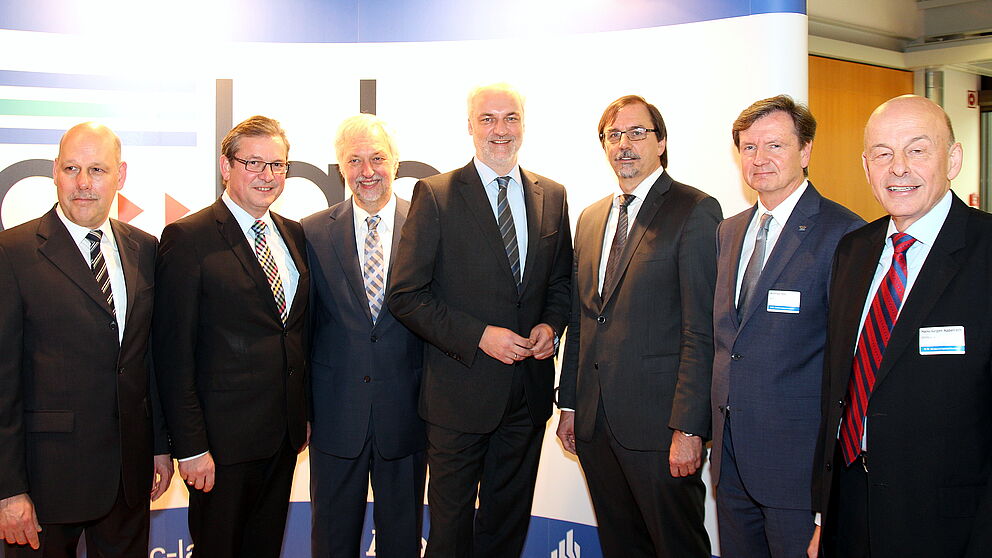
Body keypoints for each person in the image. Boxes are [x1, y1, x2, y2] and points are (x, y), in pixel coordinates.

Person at [387, 83, 572, 558]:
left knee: (505, 530)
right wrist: (479, 336)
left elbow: (560, 285)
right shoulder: (436, 194)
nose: (500, 129)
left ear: (523, 126)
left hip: (526, 397)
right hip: (458, 398)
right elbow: (406, 296)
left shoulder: (552, 195)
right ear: (470, 127)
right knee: (449, 536)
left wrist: (551, 326)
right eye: (487, 119)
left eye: (510, 118)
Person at [810, 95, 992, 558]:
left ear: (952, 159)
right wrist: (822, 515)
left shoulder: (986, 251)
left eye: (917, 149)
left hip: (946, 521)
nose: (898, 168)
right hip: (850, 506)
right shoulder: (853, 250)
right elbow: (838, 388)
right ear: (866, 165)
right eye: (883, 153)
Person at [556, 94, 721, 558]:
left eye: (637, 133)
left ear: (661, 142)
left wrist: (690, 427)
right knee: (620, 545)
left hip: (661, 429)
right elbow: (582, 321)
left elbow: (700, 329)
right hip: (595, 424)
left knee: (677, 546)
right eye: (613, 135)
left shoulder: (694, 209)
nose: (624, 145)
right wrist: (569, 404)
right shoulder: (590, 219)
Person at [0, 122, 172, 557]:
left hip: (127, 480)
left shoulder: (145, 248)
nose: (83, 183)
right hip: (44, 486)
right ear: (55, 171)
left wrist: (158, 447)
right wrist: (8, 489)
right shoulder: (12, 252)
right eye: (72, 168)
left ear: (121, 175)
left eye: (97, 170)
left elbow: (145, 358)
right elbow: (2, 384)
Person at [709, 95, 863, 558]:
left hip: (797, 466)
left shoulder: (844, 233)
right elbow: (726, 340)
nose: (759, 159)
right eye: (749, 147)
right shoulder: (729, 231)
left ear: (806, 151)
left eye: (774, 145)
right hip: (731, 457)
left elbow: (847, 363)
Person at [153, 115, 309, 558]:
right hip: (219, 450)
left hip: (282, 440)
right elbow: (173, 354)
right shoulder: (188, 237)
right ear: (226, 166)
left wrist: (304, 412)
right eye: (254, 163)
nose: (267, 176)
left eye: (277, 165)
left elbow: (294, 335)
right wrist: (190, 447)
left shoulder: (292, 234)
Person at [302, 114, 426, 558]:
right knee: (332, 542)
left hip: (408, 416)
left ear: (395, 162)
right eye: (354, 160)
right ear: (339, 169)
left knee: (402, 542)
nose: (366, 171)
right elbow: (303, 330)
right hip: (335, 418)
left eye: (377, 158)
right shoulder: (310, 233)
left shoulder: (428, 226)